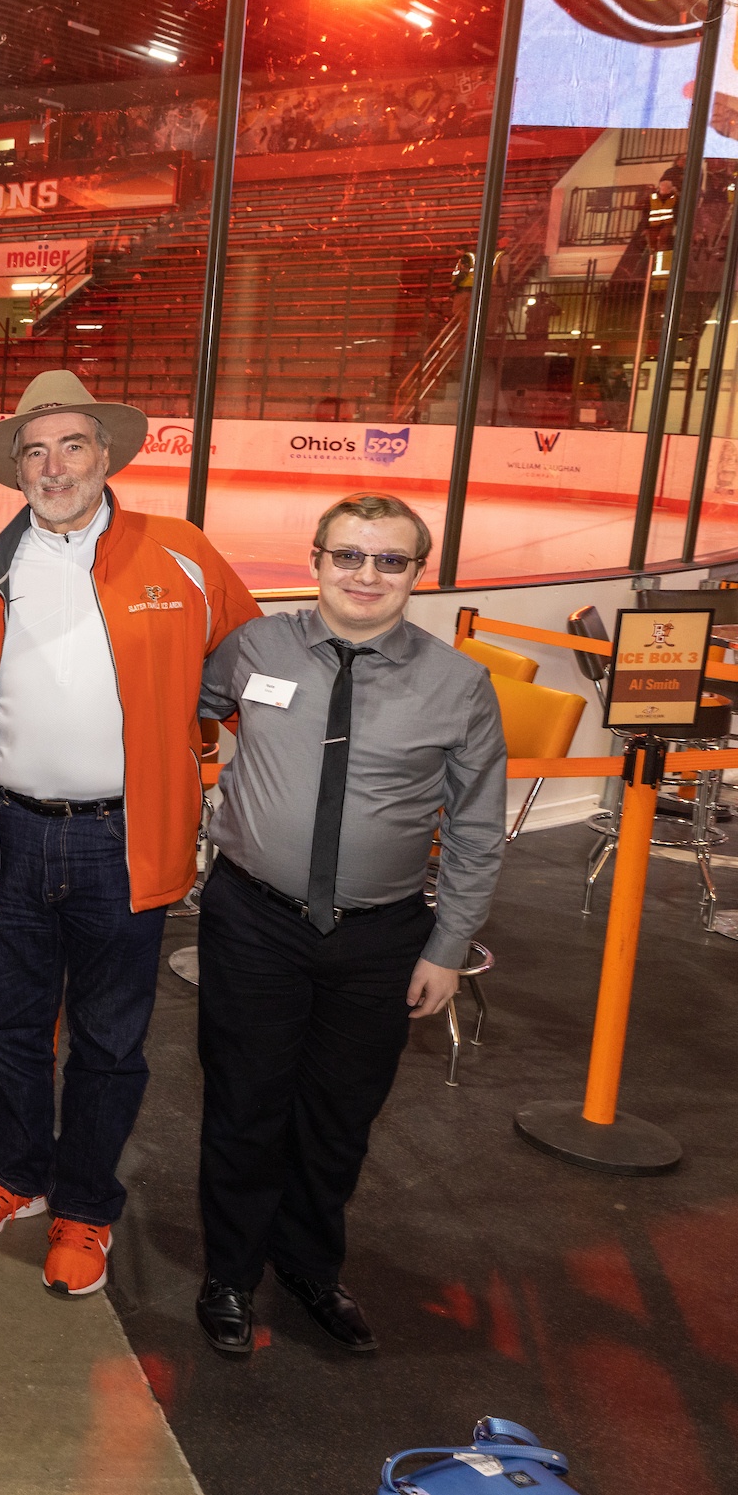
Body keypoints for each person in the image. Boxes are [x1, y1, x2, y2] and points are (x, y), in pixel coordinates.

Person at [0, 370, 260, 1298]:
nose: (54, 466)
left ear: (107, 455)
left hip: (123, 840)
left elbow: (252, 670)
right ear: (17, 470)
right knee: (7, 1027)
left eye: (71, 445)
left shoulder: (182, 553)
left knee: (110, 1041)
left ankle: (85, 1203)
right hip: (11, 835)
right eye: (35, 452)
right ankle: (20, 1175)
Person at [191, 494, 504, 1357]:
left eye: (390, 560)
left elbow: (477, 827)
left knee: (339, 1116)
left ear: (417, 571)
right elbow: (187, 708)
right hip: (253, 921)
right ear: (318, 557)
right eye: (349, 555)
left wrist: (448, 944)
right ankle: (229, 1273)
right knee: (244, 1106)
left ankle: (308, 1265)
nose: (366, 574)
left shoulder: (459, 684)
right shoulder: (252, 647)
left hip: (378, 937)